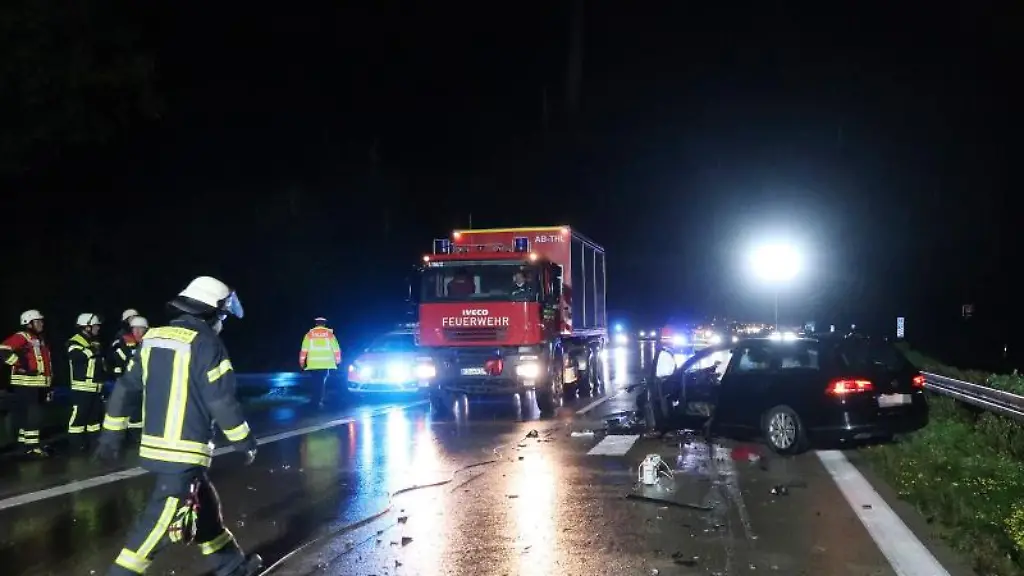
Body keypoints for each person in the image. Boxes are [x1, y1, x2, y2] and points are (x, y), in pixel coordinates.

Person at [94, 276, 262, 575]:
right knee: (153, 531)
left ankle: (233, 567)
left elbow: (124, 390)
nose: (222, 321)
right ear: (211, 311)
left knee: (206, 512)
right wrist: (245, 442)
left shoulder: (153, 338)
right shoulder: (208, 344)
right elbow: (222, 402)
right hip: (184, 453)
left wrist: (110, 438)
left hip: (158, 448)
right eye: (222, 315)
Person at [0, 310, 54, 457]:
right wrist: (19, 364)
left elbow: (45, 364)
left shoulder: (40, 339)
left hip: (38, 384)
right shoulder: (22, 336)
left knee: (29, 415)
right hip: (26, 384)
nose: (41, 324)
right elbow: (3, 350)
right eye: (37, 321)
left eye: (41, 321)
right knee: (33, 415)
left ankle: (24, 445)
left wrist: (48, 385)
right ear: (28, 323)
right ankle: (32, 446)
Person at [67, 313, 107, 452]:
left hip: (95, 387)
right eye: (95, 326)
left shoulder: (94, 342)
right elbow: (76, 355)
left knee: (94, 420)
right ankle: (76, 446)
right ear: (86, 327)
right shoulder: (75, 341)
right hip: (82, 387)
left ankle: (94, 444)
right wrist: (91, 351)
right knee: (78, 418)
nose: (98, 328)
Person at [109, 315, 150, 441]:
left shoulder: (150, 344)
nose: (137, 332)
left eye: (140, 329)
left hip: (145, 386)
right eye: (134, 329)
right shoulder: (123, 343)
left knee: (139, 415)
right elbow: (116, 362)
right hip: (129, 385)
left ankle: (136, 439)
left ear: (146, 330)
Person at [299, 316, 341, 408]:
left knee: (315, 382)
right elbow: (336, 349)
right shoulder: (329, 334)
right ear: (324, 324)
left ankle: (315, 399)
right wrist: (338, 361)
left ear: (316, 323)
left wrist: (302, 361)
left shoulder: (309, 334)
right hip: (325, 363)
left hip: (313, 364)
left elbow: (304, 349)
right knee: (322, 382)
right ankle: (319, 400)